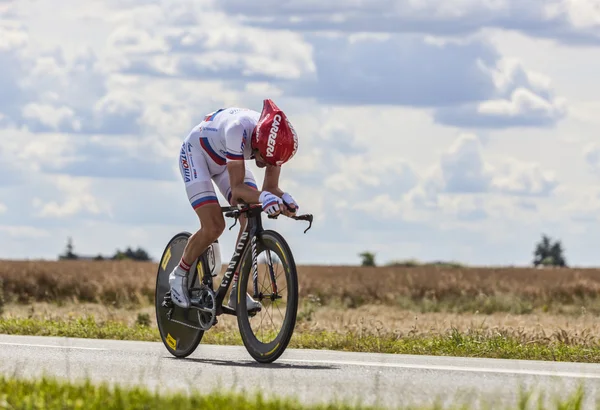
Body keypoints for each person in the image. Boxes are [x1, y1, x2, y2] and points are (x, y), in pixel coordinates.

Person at [169, 99, 300, 311]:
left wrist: (285, 200)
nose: (267, 165)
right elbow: (238, 189)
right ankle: (180, 273)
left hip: (226, 161)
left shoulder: (276, 143)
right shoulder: (237, 129)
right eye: (265, 159)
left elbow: (270, 188)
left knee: (249, 217)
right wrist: (264, 197)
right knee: (214, 226)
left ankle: (236, 290)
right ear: (257, 143)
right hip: (197, 156)